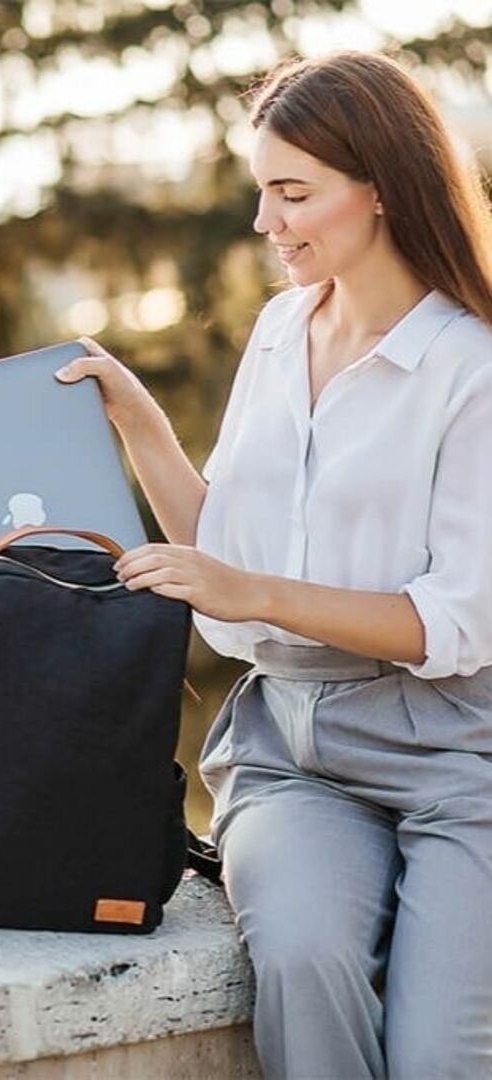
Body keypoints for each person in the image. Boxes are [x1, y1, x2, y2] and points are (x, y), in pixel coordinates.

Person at [56, 50, 492, 1079]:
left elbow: (456, 622)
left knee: (437, 1056)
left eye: (293, 194)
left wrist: (247, 591)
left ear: (382, 187)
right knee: (300, 965)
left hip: (458, 758)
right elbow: (229, 556)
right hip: (290, 751)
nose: (267, 223)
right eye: (262, 192)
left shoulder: (469, 366)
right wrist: (143, 426)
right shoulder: (279, 331)